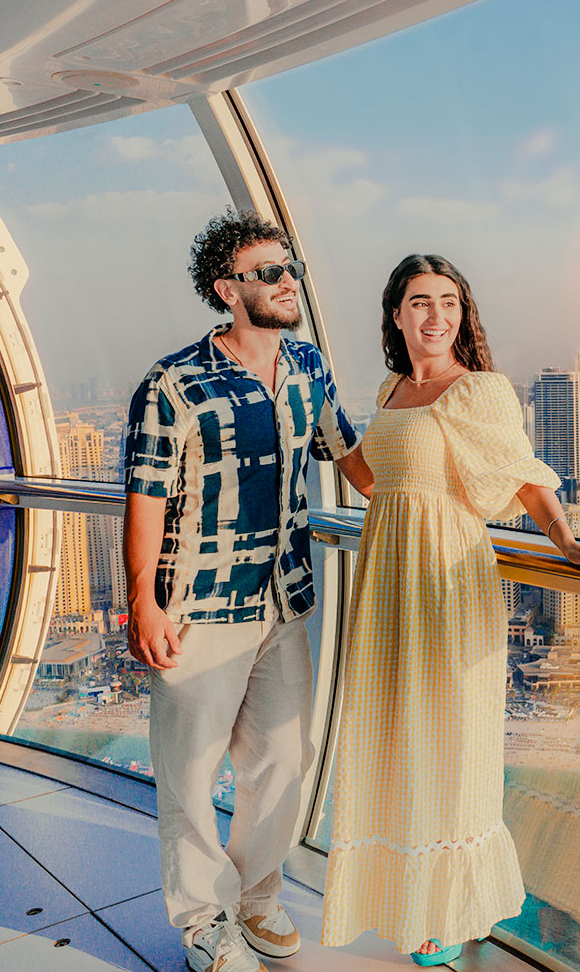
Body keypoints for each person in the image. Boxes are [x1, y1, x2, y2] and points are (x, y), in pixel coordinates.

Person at [319, 254, 580, 965]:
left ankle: (446, 910)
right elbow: (378, 483)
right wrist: (329, 428)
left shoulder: (480, 391)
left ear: (463, 315)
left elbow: (522, 479)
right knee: (392, 737)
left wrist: (567, 543)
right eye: (420, 301)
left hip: (447, 582)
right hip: (387, 580)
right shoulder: (392, 389)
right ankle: (401, 894)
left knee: (448, 741)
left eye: (449, 301)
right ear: (396, 314)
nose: (436, 315)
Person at [123, 210, 364, 972]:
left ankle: (257, 896)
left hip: (282, 601)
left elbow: (352, 456)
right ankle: (203, 921)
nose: (288, 282)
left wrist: (436, 495)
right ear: (228, 290)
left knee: (285, 761)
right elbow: (146, 495)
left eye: (291, 268)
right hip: (199, 608)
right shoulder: (173, 383)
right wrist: (143, 601)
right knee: (190, 774)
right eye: (270, 273)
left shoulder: (308, 367)